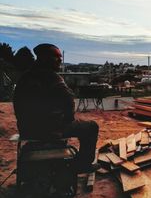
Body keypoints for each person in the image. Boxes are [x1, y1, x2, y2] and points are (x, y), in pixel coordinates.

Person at [13, 43, 99, 173]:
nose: (60, 60)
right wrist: (67, 121)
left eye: (60, 57)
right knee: (92, 126)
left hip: (27, 129)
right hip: (49, 130)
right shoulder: (52, 77)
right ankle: (82, 165)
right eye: (56, 57)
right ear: (44, 58)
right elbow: (69, 101)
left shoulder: (25, 77)